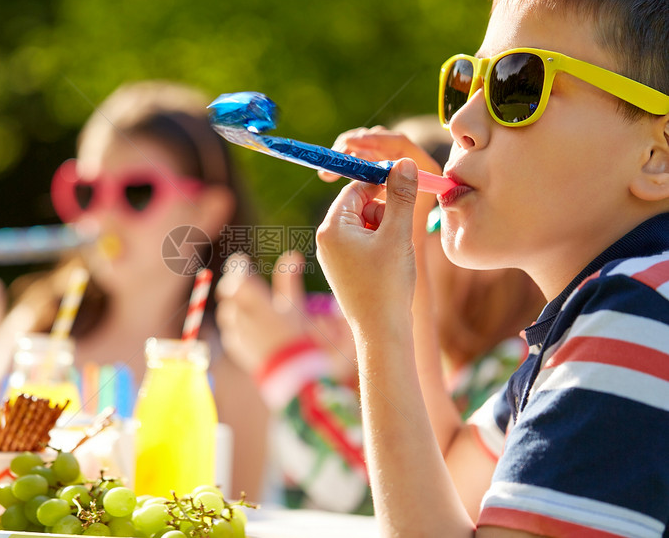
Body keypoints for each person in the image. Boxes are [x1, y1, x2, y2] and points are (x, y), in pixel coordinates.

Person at [315, 0, 669, 535]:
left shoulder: (637, 316)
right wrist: (404, 279)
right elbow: (454, 478)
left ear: (659, 156)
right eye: (466, 82)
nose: (460, 122)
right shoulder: (619, 306)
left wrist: (377, 328)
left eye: (517, 86)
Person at [0, 80, 270, 500]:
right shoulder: (39, 324)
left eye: (137, 192)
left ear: (207, 211)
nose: (102, 217)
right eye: (87, 192)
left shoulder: (228, 361)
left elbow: (242, 514)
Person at [215, 117, 543, 515]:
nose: (386, 233)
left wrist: (290, 368)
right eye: (379, 213)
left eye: (420, 217)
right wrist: (338, 371)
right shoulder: (368, 364)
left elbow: (393, 499)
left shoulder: (512, 370)